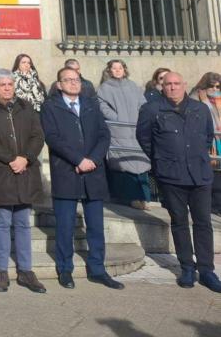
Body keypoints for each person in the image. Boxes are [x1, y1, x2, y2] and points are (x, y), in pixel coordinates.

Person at [138, 72, 221, 293]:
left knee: (203, 223)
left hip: (200, 175)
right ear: (162, 87)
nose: (173, 88)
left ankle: (206, 270)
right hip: (171, 175)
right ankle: (186, 268)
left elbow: (206, 137)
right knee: (180, 222)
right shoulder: (151, 109)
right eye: (169, 84)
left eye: (177, 84)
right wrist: (161, 160)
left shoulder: (200, 109)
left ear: (185, 85)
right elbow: (144, 138)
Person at [41, 67, 123, 290]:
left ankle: (98, 269)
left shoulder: (91, 104)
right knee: (65, 226)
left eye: (76, 79)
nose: (73, 83)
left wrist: (93, 160)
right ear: (59, 84)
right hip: (67, 172)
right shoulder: (50, 107)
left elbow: (104, 135)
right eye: (67, 80)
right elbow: (53, 138)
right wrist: (78, 160)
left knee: (96, 226)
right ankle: (65, 269)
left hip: (93, 173)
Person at [0, 69, 46, 294]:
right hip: (1, 171)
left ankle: (26, 271)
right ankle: (2, 271)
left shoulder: (26, 106)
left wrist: (25, 158)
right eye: (3, 84)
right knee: (3, 220)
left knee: (23, 222)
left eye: (10, 84)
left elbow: (38, 136)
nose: (7, 88)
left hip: (25, 170)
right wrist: (11, 159)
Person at [97, 59, 151, 210]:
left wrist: (140, 117)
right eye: (114, 68)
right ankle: (129, 198)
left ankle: (143, 198)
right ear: (109, 70)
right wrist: (116, 118)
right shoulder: (104, 88)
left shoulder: (133, 85)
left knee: (140, 162)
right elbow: (102, 106)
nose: (117, 70)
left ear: (124, 69)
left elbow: (143, 103)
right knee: (123, 163)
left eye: (120, 68)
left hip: (136, 129)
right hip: (118, 130)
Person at [189, 73, 221, 215]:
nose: (215, 89)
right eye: (212, 86)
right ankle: (212, 205)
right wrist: (206, 102)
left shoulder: (217, 99)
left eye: (218, 86)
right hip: (207, 141)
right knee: (211, 173)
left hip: (218, 140)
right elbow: (202, 117)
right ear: (204, 85)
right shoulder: (196, 97)